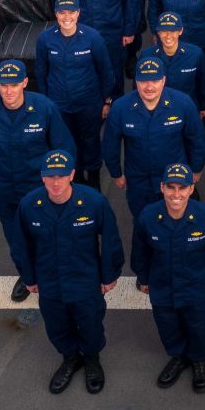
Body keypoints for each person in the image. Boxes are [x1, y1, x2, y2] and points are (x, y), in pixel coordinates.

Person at [14, 150, 124, 395]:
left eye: (61, 176)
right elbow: (21, 246)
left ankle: (92, 360)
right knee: (57, 325)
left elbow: (111, 240)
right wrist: (29, 278)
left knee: (91, 324)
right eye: (50, 176)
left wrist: (109, 275)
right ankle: (70, 359)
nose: (56, 182)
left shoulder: (93, 202)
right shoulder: (30, 205)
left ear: (72, 174)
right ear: (42, 177)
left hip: (85, 280)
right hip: (49, 281)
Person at [0, 60, 76, 302]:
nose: (9, 91)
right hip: (6, 188)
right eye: (3, 85)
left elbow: (64, 148)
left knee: (49, 234)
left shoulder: (44, 108)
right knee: (16, 238)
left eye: (14, 84)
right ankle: (27, 276)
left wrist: (62, 184)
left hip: (40, 189)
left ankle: (55, 275)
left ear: (25, 83)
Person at [131, 163, 205, 393]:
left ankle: (198, 359)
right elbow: (140, 252)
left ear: (191, 188)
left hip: (195, 286)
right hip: (161, 285)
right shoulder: (148, 217)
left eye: (182, 188)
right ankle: (178, 356)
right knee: (168, 325)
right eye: (171, 187)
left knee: (198, 325)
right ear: (162, 187)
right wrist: (144, 279)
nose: (176, 194)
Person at [102, 57, 205, 219]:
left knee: (177, 220)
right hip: (138, 181)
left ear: (163, 80)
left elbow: (197, 140)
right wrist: (116, 173)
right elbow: (110, 145)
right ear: (136, 81)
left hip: (175, 180)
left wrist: (196, 169)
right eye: (144, 81)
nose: (149, 87)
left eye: (155, 80)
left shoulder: (183, 104)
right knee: (143, 221)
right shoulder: (120, 108)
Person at [34, 0, 120, 188]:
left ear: (78, 13)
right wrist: (47, 103)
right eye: (62, 12)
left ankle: (94, 176)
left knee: (91, 140)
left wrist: (106, 101)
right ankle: (77, 176)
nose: (67, 17)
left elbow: (106, 71)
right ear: (55, 14)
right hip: (60, 105)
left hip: (89, 103)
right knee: (67, 142)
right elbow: (41, 72)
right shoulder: (45, 40)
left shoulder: (92, 38)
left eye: (71, 12)